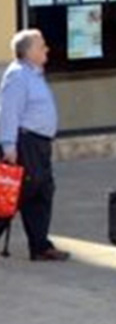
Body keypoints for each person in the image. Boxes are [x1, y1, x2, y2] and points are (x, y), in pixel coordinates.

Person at [0, 29, 67, 261]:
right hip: (25, 141)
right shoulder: (18, 75)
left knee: (41, 191)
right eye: (41, 46)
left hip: (39, 143)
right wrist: (9, 145)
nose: (46, 49)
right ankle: (39, 245)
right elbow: (8, 111)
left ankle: (40, 246)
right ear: (28, 51)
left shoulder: (34, 74)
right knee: (18, 193)